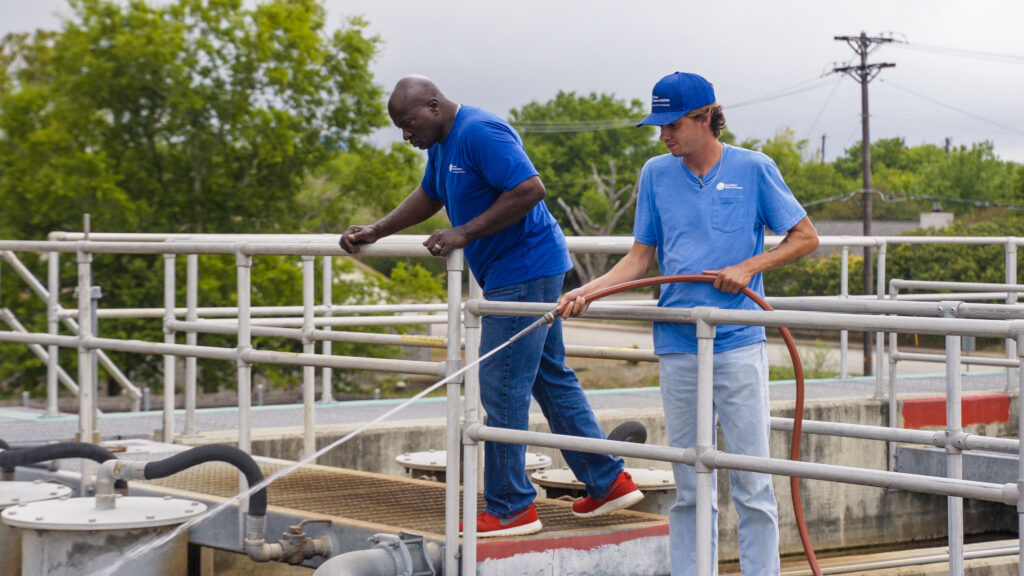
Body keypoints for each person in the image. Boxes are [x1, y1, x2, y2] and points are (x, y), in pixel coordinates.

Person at [339, 75, 641, 538]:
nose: (405, 135)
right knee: (548, 377)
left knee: (500, 385)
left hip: (523, 271)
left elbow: (529, 189)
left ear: (434, 106)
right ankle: (608, 481)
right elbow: (430, 195)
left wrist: (463, 232)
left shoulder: (480, 131)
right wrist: (376, 230)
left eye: (408, 123)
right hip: (517, 272)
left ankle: (510, 507)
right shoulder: (442, 145)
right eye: (400, 127)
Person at [558, 72, 819, 575]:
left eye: (672, 124)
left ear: (706, 118)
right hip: (678, 342)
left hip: (738, 340)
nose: (663, 135)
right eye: (658, 126)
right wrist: (585, 291)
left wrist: (748, 267)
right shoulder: (656, 173)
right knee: (689, 478)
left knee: (753, 478)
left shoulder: (753, 168)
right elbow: (640, 258)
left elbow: (805, 237)